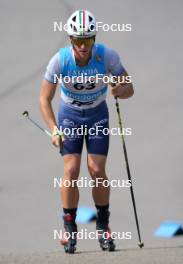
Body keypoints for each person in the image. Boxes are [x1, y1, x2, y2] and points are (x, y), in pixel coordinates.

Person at [40, 9, 134, 254]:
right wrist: (53, 130)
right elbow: (44, 99)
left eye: (88, 40)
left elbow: (129, 88)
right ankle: (69, 227)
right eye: (78, 40)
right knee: (70, 170)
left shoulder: (107, 56)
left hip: (96, 115)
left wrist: (119, 90)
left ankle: (103, 225)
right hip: (70, 115)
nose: (83, 46)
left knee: (96, 169)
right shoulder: (59, 60)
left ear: (94, 39)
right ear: (71, 40)